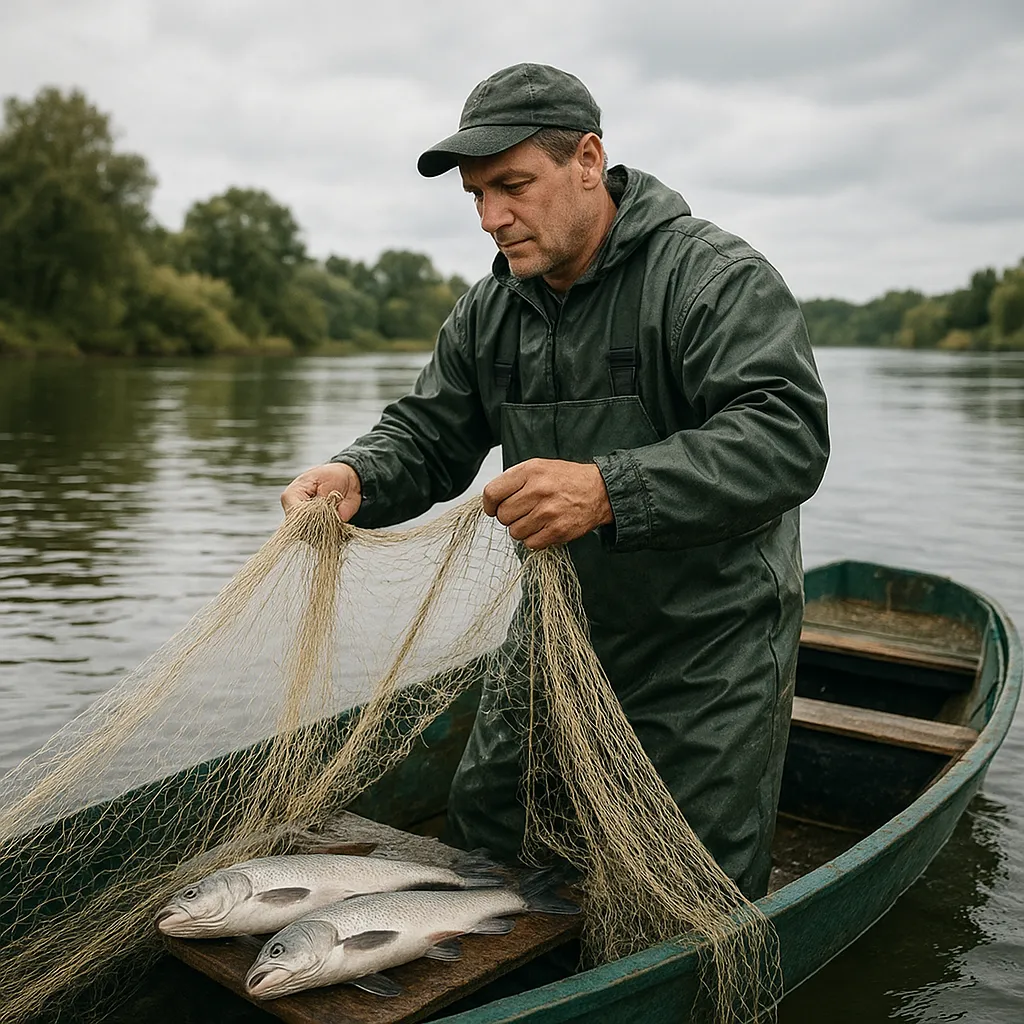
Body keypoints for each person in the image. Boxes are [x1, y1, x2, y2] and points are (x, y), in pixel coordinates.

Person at [281, 63, 829, 900]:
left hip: (708, 650)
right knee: (485, 839)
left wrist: (608, 488)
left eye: (513, 185)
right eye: (476, 195)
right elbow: (429, 431)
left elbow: (786, 436)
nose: (492, 217)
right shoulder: (490, 308)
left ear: (587, 159)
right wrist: (356, 473)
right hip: (556, 633)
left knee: (685, 892)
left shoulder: (711, 278)